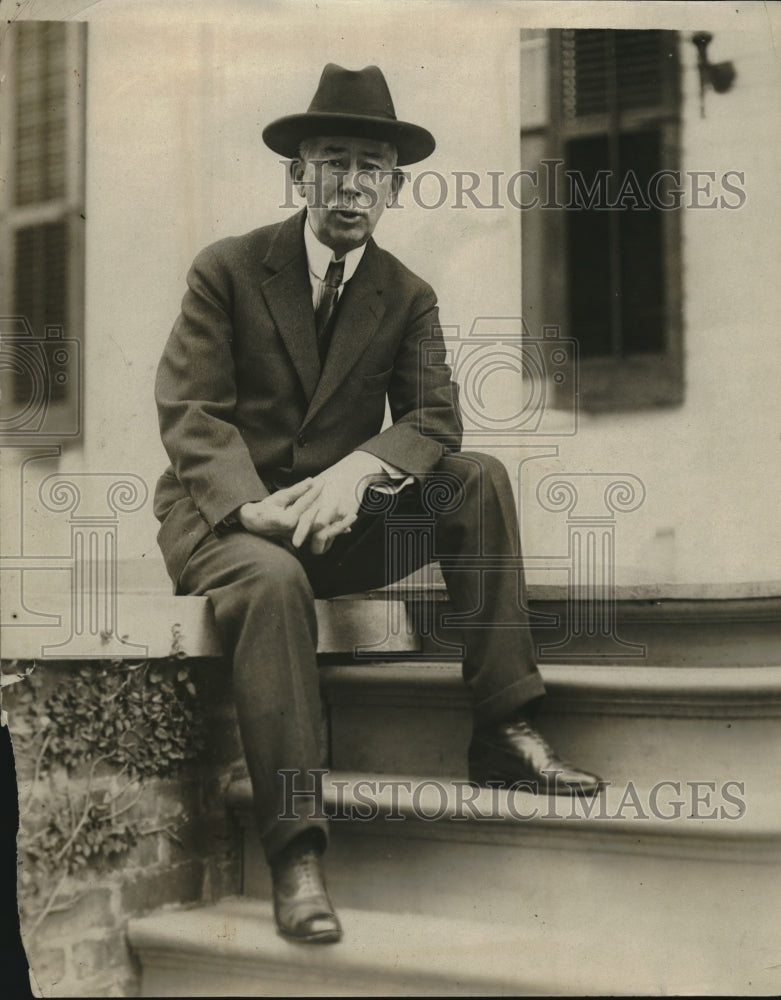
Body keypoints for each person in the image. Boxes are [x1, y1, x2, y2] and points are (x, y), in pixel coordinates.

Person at [154, 63, 601, 946]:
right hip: (225, 522)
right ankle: (296, 852)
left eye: (371, 167)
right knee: (273, 579)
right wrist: (253, 509)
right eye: (332, 162)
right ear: (298, 173)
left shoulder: (405, 293)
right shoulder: (229, 271)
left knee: (476, 478)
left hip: (338, 523)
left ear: (394, 186)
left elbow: (435, 416)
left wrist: (363, 470)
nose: (350, 184)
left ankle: (503, 729)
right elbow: (191, 412)